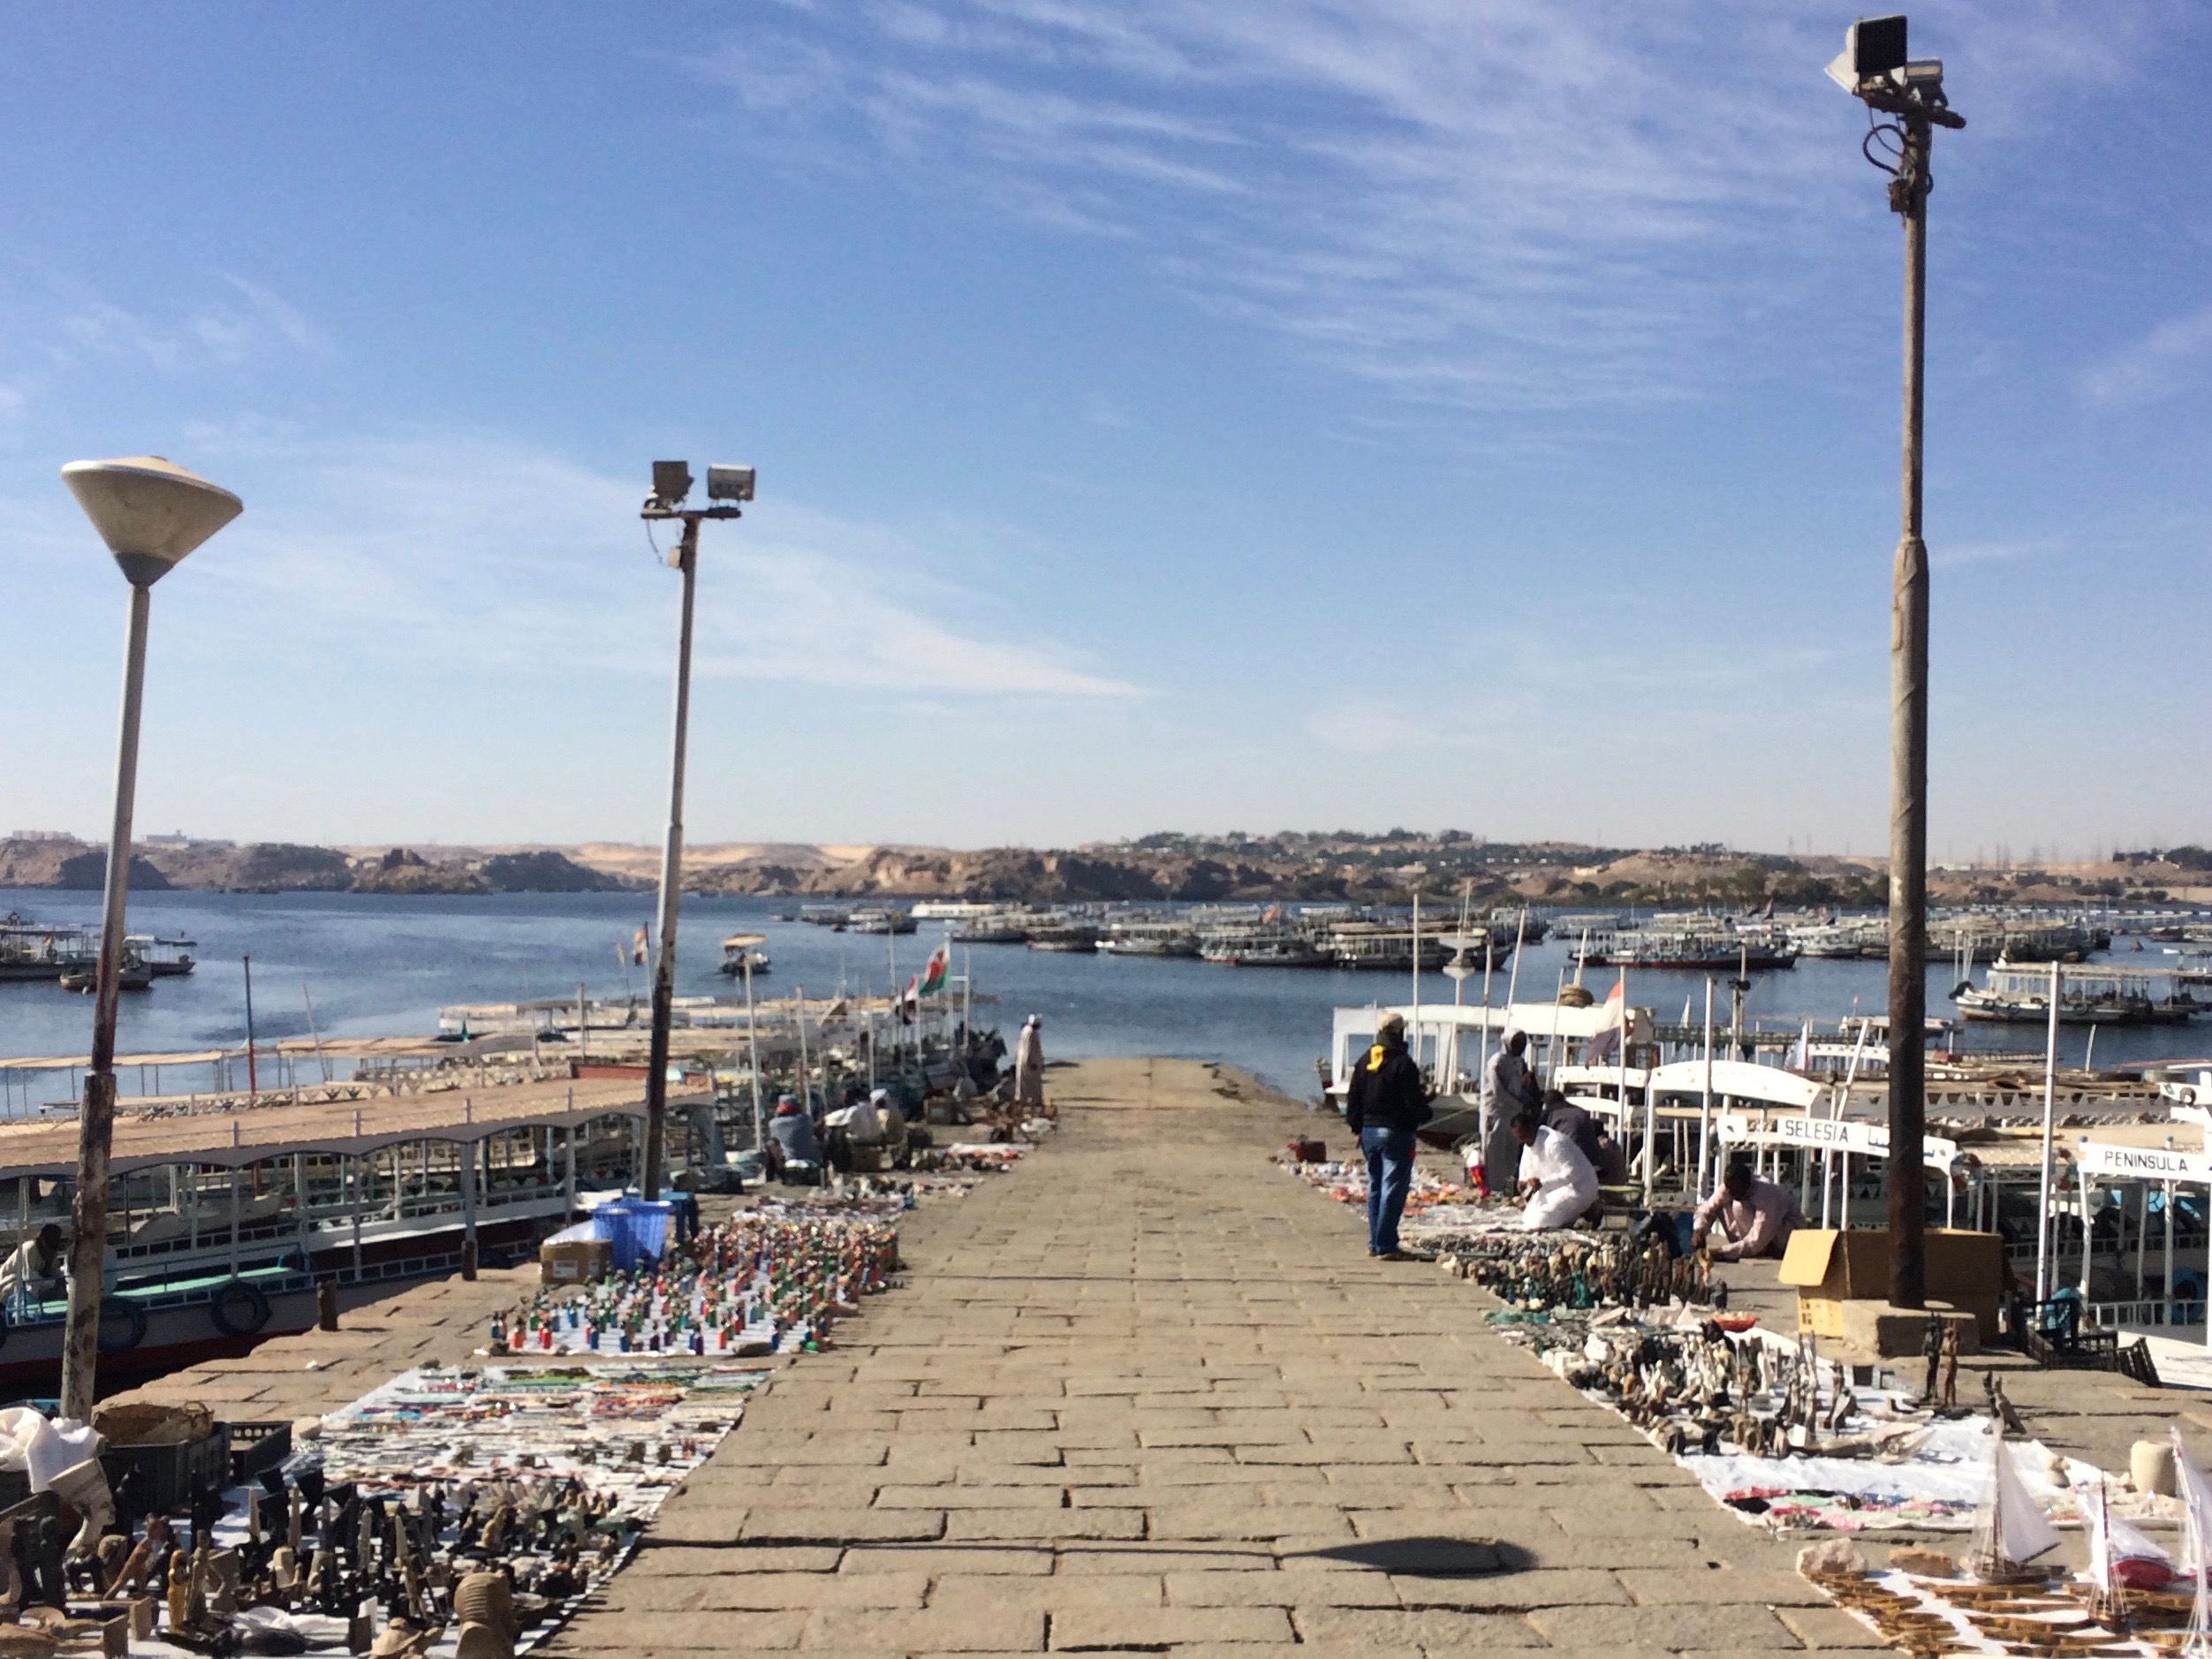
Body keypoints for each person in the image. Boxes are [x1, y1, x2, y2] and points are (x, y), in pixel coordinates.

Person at [1345, 1011, 1430, 1259]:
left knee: (1375, 1187)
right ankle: (1385, 1245)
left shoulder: (1366, 1060)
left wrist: (1356, 1127)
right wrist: (1425, 1113)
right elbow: (1412, 1103)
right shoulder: (1403, 1063)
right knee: (1392, 1188)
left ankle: (1375, 1242)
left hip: (1369, 1132)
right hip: (1395, 1132)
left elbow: (1353, 1098)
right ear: (1400, 1033)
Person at [1693, 1160, 1807, 1261]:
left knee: (1738, 1206)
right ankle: (1740, 1246)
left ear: (1746, 1184)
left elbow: (1757, 1241)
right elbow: (1706, 1209)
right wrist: (1699, 1231)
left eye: (1734, 1190)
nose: (1729, 1192)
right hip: (1754, 1238)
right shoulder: (1729, 1187)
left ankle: (1746, 1249)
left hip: (1784, 1238)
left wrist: (1721, 1252)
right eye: (1728, 1188)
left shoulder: (1766, 1194)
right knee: (1721, 1203)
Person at [1510, 1108, 1600, 1231]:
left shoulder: (1554, 1143)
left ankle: (1589, 1209)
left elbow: (1572, 1174)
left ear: (1531, 1128)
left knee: (1541, 1221)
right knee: (1528, 1217)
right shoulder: (1528, 1143)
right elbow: (1527, 1171)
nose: (1522, 1141)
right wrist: (1524, 1184)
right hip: (1553, 1188)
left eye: (1524, 1136)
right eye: (1519, 1138)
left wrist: (1541, 1182)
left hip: (1578, 1188)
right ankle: (1575, 1215)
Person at [1479, 1028, 1540, 1196]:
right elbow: (1499, 1091)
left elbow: (1518, 1089)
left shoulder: (1519, 1062)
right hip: (1495, 1112)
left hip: (1512, 1113)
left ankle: (1508, 1187)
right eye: (1516, 1043)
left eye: (1522, 1043)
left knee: (1510, 1150)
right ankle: (1494, 1188)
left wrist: (1528, 1101)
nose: (1520, 1047)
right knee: (1494, 1149)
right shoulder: (1496, 1061)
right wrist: (1520, 1106)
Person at [0, 1223, 64, 1307]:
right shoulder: (29, 1250)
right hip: (9, 1286)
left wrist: (62, 1277)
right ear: (43, 1239)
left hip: (33, 1288)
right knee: (30, 1296)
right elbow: (30, 1279)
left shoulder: (50, 1251)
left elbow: (55, 1270)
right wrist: (52, 1282)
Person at [1014, 1015, 1046, 1113]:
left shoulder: (1026, 1031)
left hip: (1023, 1060)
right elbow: (1028, 1048)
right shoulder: (1030, 1033)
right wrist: (1031, 1061)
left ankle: (1023, 1101)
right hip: (1029, 1061)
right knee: (1033, 1082)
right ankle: (1033, 1102)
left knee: (1024, 1082)